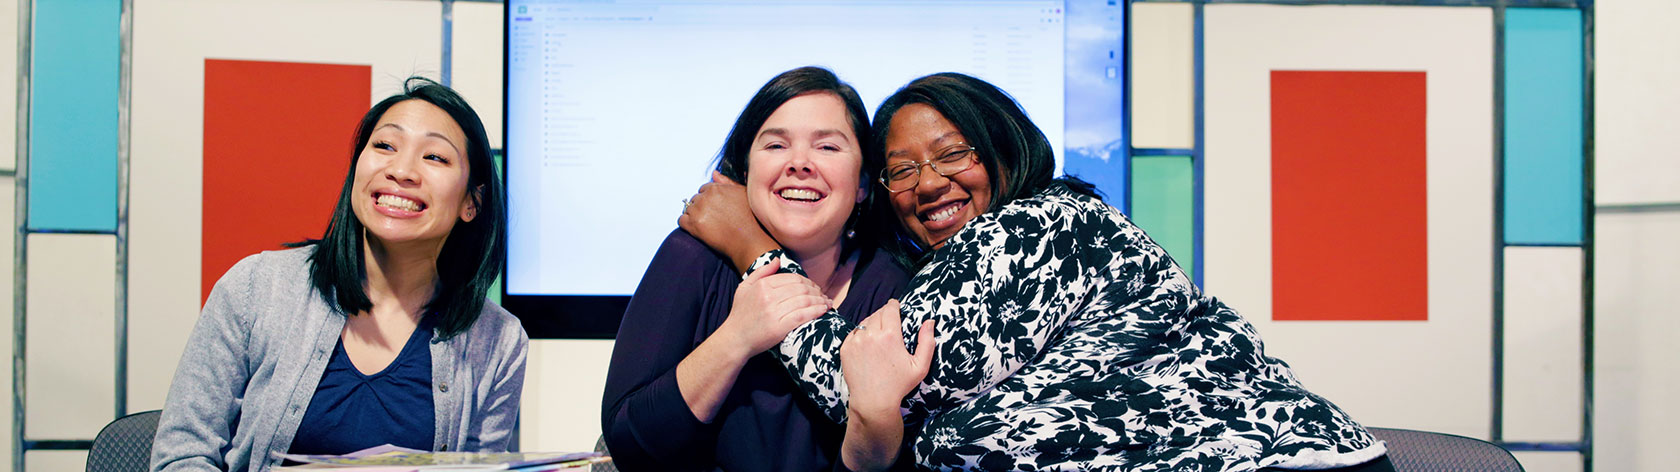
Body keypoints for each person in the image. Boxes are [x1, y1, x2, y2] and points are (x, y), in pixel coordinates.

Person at [682, 72, 1395, 471]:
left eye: (955, 154)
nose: (929, 183)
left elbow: (862, 379)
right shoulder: (963, 265)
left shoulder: (1038, 226)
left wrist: (753, 249)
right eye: (902, 170)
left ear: (1005, 148)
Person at [151, 77, 528, 472]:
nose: (401, 170)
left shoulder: (498, 341)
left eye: (434, 157)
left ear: (472, 201)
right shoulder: (255, 289)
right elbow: (180, 458)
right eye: (384, 146)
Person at [600, 66, 915, 472]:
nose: (800, 163)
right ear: (745, 171)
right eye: (776, 145)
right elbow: (629, 444)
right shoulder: (692, 256)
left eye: (827, 148)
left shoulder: (891, 284)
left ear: (863, 184)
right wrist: (737, 337)